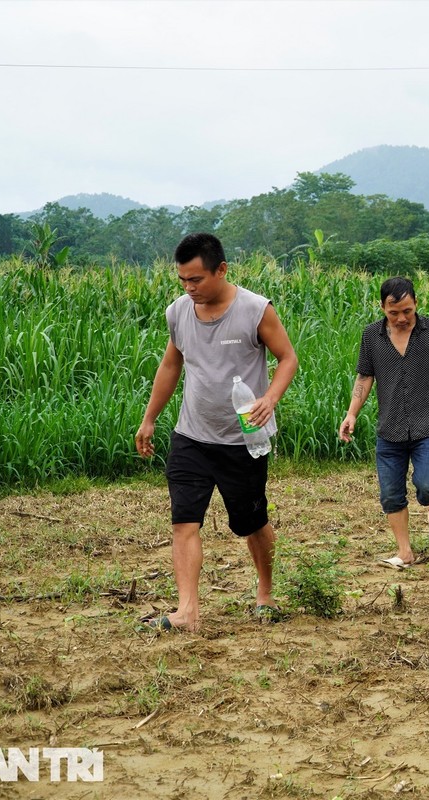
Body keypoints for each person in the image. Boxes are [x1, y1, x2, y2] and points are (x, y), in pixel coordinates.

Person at [134, 232, 299, 632]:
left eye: (197, 280)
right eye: (183, 281)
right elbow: (171, 365)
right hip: (191, 435)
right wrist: (150, 417)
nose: (189, 289)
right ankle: (187, 611)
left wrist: (270, 399)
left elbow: (287, 358)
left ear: (221, 270)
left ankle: (265, 592)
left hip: (242, 440)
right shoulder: (178, 312)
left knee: (251, 521)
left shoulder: (255, 310)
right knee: (184, 521)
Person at [339, 276, 429, 568]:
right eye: (394, 313)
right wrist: (351, 413)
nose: (401, 318)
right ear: (382, 307)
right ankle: (405, 552)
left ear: (416, 304)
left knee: (427, 485)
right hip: (389, 429)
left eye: (407, 311)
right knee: (391, 494)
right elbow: (364, 377)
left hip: (425, 427)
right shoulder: (371, 336)